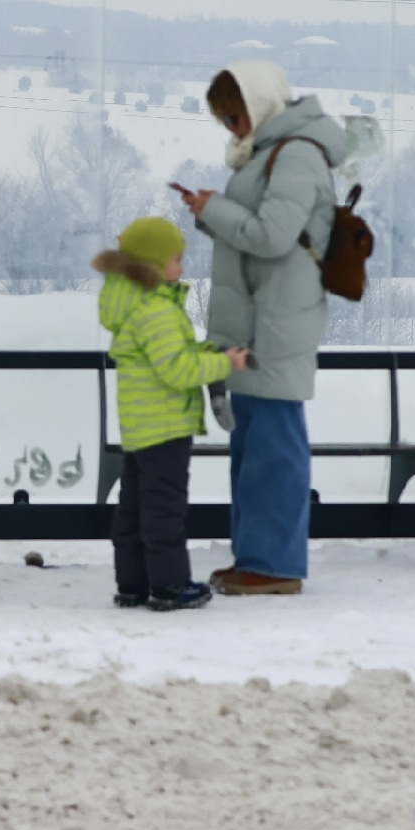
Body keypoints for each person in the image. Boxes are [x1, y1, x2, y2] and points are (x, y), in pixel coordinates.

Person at [174, 60, 344, 596]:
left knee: (272, 447)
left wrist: (215, 209)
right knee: (254, 448)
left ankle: (273, 564)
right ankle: (257, 557)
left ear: (262, 102)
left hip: (275, 323)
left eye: (235, 115)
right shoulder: (271, 152)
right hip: (257, 320)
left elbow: (272, 237)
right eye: (223, 119)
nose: (231, 128)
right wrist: (213, 210)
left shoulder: (294, 154)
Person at [93, 217, 249, 612]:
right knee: (164, 510)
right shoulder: (156, 311)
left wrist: (207, 355)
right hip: (165, 428)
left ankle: (132, 583)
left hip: (141, 428)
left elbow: (170, 357)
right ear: (153, 265)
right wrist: (224, 365)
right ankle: (169, 585)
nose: (182, 267)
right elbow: (177, 370)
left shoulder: (131, 305)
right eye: (177, 259)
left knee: (133, 509)